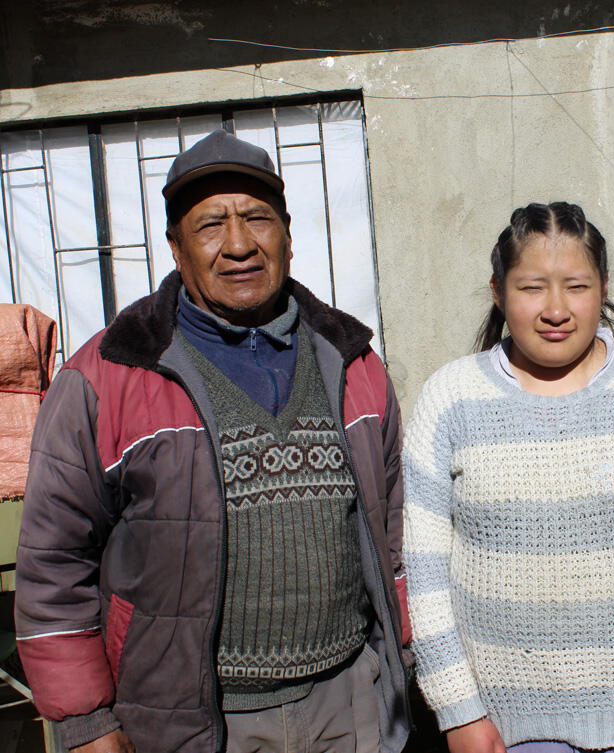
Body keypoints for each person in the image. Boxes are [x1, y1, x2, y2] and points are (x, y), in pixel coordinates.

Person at [14, 130, 410, 753]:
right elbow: (52, 569)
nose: (238, 245)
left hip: (351, 699)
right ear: (177, 248)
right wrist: (87, 724)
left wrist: (411, 666)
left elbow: (397, 545)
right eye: (210, 225)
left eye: (257, 219)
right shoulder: (110, 375)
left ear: (286, 232)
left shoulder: (353, 363)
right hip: (192, 720)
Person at [402, 202, 614, 753]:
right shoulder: (451, 399)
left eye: (576, 286)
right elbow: (428, 576)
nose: (556, 309)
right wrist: (459, 712)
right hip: (505, 733)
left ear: (603, 288)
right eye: (532, 287)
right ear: (498, 291)